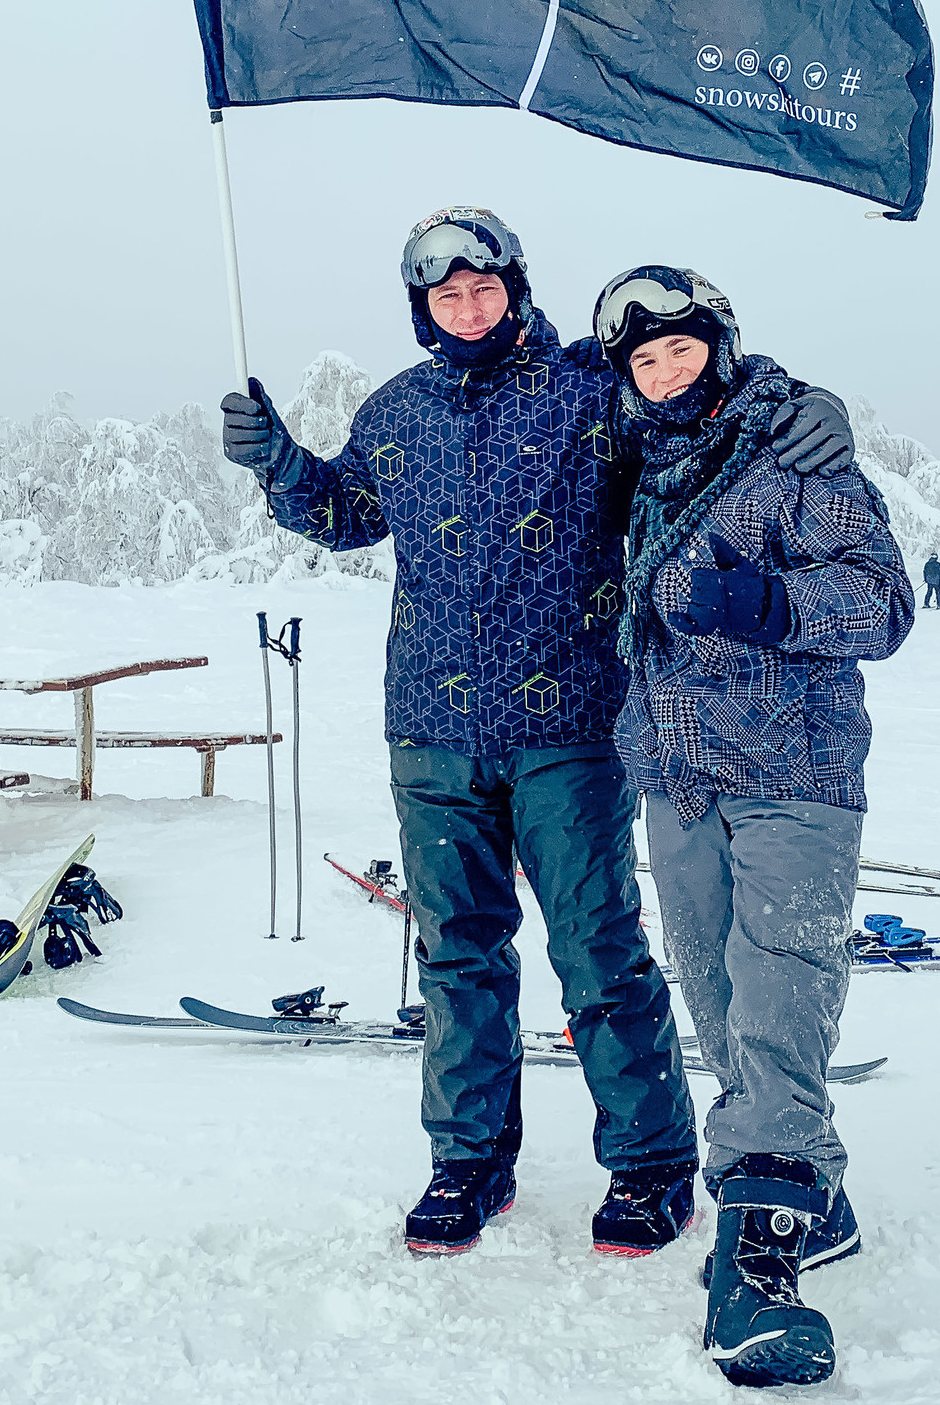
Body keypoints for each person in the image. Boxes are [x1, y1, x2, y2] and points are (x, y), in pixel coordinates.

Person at [217, 208, 860, 1259]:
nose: (467, 309)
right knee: (457, 957)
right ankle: (467, 1163)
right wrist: (278, 461)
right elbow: (344, 514)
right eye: (444, 296)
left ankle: (651, 1168)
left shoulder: (585, 393)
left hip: (568, 723)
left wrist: (805, 403)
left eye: (483, 289)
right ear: (423, 308)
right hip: (430, 729)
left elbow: (695, 401)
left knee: (598, 951)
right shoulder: (397, 409)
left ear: (514, 288)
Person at [594, 263, 913, 1390]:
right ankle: (807, 1198)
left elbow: (883, 602)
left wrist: (771, 604)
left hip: (793, 770)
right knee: (720, 999)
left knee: (779, 992)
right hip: (678, 780)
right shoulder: (634, 463)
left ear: (719, 348)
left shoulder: (794, 452)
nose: (665, 373)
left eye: (680, 351)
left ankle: (759, 1267)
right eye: (644, 360)